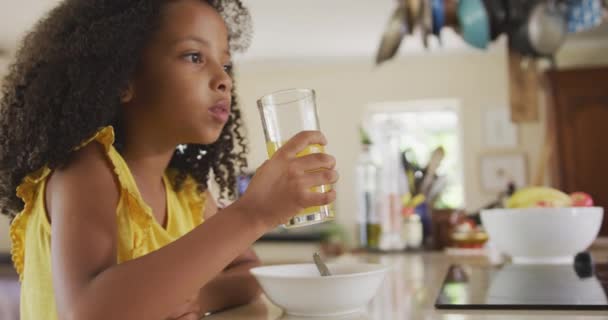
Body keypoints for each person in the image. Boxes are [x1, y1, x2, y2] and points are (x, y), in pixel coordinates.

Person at [0, 1, 338, 319]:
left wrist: (197, 296)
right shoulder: (86, 170)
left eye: (225, 64)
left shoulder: (186, 191)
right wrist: (253, 212)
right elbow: (88, 310)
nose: (224, 80)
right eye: (193, 56)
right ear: (123, 79)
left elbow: (249, 272)